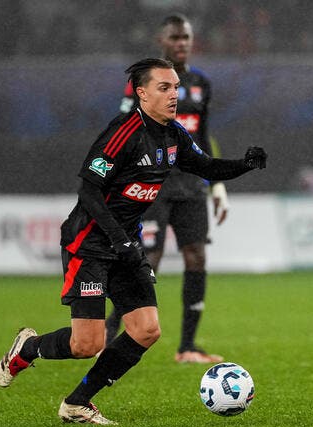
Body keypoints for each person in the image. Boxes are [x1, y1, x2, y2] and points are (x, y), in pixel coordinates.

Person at [0, 58, 267, 425]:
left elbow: (205, 168)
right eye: (165, 88)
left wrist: (244, 164)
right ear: (142, 93)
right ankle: (28, 348)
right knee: (86, 345)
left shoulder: (173, 134)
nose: (175, 95)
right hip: (90, 243)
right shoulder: (123, 133)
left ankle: (77, 403)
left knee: (146, 330)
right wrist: (118, 238)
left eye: (176, 87)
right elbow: (89, 191)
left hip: (125, 244)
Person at [106, 14, 230, 364]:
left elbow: (204, 137)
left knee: (197, 256)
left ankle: (187, 347)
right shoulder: (142, 82)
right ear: (161, 41)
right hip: (153, 183)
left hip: (191, 185)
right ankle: (109, 331)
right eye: (175, 37)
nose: (181, 43)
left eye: (186, 37)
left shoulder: (201, 84)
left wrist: (217, 185)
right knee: (149, 262)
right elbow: (122, 127)